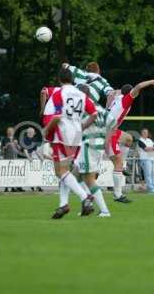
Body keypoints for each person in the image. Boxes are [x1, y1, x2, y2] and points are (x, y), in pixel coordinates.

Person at [43, 67, 97, 219]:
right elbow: (94, 114)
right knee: (65, 171)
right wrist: (82, 126)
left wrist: (46, 130)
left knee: (60, 171)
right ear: (73, 79)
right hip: (77, 135)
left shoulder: (59, 93)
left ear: (59, 80)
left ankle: (85, 197)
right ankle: (63, 204)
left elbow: (57, 117)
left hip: (63, 134)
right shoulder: (81, 94)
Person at [106, 77, 154, 202]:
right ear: (129, 93)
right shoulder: (126, 99)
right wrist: (152, 82)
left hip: (110, 129)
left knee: (128, 139)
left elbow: (114, 93)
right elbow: (138, 86)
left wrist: (111, 93)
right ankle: (117, 195)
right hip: (108, 132)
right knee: (116, 164)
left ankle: (122, 165)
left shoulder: (117, 98)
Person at [73, 84, 112, 217]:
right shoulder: (100, 108)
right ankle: (87, 203)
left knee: (89, 179)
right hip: (98, 144)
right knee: (75, 174)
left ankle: (104, 210)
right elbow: (112, 122)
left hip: (89, 144)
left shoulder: (83, 107)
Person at [1, 127, 24, 192]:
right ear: (7, 132)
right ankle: (6, 187)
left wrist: (16, 144)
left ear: (13, 132)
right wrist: (6, 145)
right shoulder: (4, 139)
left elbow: (20, 148)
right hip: (7, 158)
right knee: (7, 173)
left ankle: (14, 187)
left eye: (11, 131)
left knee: (15, 173)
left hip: (15, 158)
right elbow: (2, 150)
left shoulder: (15, 139)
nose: (10, 132)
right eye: (9, 131)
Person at [138, 128, 154, 194]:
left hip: (152, 158)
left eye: (147, 132)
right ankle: (151, 189)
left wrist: (152, 148)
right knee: (148, 174)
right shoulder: (140, 140)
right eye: (144, 132)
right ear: (142, 133)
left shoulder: (150, 140)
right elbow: (146, 149)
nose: (146, 134)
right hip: (145, 159)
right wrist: (153, 148)